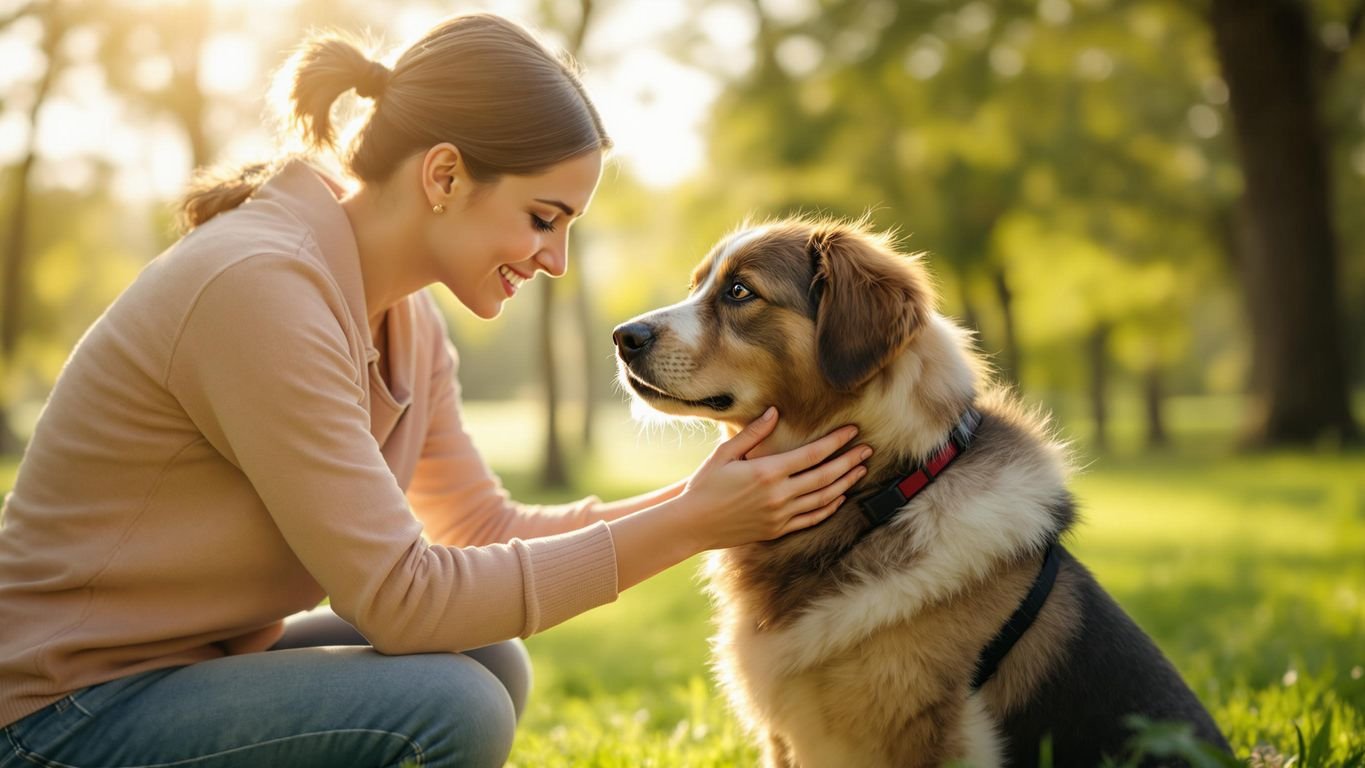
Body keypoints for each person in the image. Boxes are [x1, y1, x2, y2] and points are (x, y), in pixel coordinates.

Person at [0, 12, 871, 768]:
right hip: (54, 716)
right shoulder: (259, 288)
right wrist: (691, 523)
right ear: (444, 176)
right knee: (451, 704)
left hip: (184, 675)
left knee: (489, 658)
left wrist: (703, 500)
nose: (554, 261)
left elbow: (482, 532)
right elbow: (403, 601)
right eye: (543, 219)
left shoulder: (402, 319)